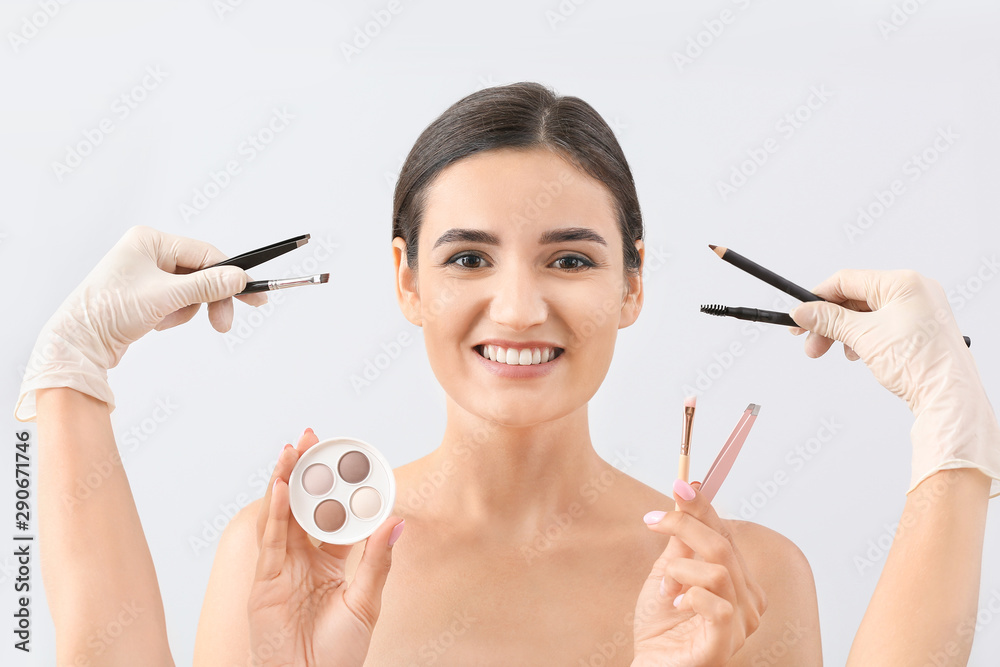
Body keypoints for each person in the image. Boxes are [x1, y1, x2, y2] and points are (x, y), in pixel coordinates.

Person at [18, 82, 997, 666]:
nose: (521, 307)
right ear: (404, 279)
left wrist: (953, 423)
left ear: (631, 283)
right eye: (467, 257)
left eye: (569, 258)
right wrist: (64, 376)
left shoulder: (736, 583)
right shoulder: (296, 559)